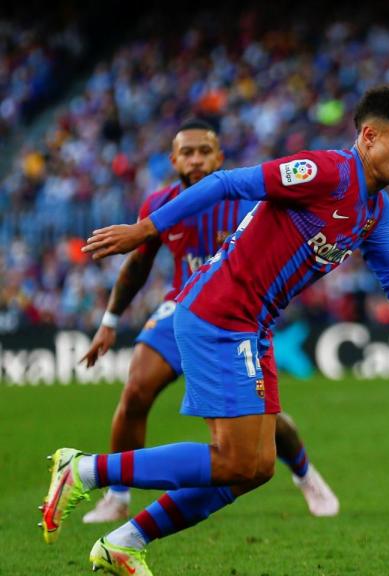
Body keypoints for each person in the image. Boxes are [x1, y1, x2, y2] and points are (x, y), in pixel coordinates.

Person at [43, 83, 389, 576]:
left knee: (255, 469)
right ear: (370, 136)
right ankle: (85, 470)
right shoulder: (326, 172)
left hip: (254, 326)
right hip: (219, 313)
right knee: (231, 459)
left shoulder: (375, 209)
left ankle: (125, 541)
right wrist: (146, 229)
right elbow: (225, 184)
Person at [79, 119, 339, 524]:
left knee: (266, 423)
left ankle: (305, 474)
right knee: (135, 391)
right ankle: (117, 495)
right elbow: (138, 267)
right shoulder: (158, 205)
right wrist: (110, 320)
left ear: (220, 157)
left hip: (234, 319)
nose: (197, 159)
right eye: (188, 152)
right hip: (179, 310)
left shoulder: (248, 201)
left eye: (205, 152)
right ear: (173, 159)